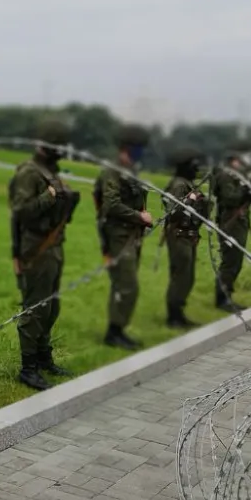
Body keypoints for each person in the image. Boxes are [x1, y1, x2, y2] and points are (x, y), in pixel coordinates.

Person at [8, 118, 79, 391]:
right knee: (35, 308)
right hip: (36, 247)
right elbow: (21, 210)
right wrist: (49, 197)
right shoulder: (29, 172)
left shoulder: (51, 171)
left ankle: (43, 358)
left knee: (51, 307)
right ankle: (28, 368)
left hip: (54, 248)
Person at [92, 123, 153, 350]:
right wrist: (139, 217)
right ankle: (114, 332)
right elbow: (111, 204)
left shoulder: (131, 172)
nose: (141, 153)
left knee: (125, 284)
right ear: (127, 148)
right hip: (118, 237)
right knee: (126, 285)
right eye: (138, 148)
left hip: (132, 236)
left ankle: (117, 330)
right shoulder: (113, 171)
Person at [161, 146, 212, 328]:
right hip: (178, 235)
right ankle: (173, 316)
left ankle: (179, 312)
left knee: (188, 276)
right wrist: (190, 200)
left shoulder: (188, 184)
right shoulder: (179, 185)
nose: (196, 169)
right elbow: (172, 212)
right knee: (180, 275)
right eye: (193, 165)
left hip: (189, 236)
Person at [209, 142, 251, 309]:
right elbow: (230, 198)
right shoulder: (227, 175)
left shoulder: (236, 174)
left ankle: (227, 294)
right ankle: (222, 298)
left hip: (238, 222)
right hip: (230, 221)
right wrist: (245, 190)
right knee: (230, 260)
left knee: (236, 260)